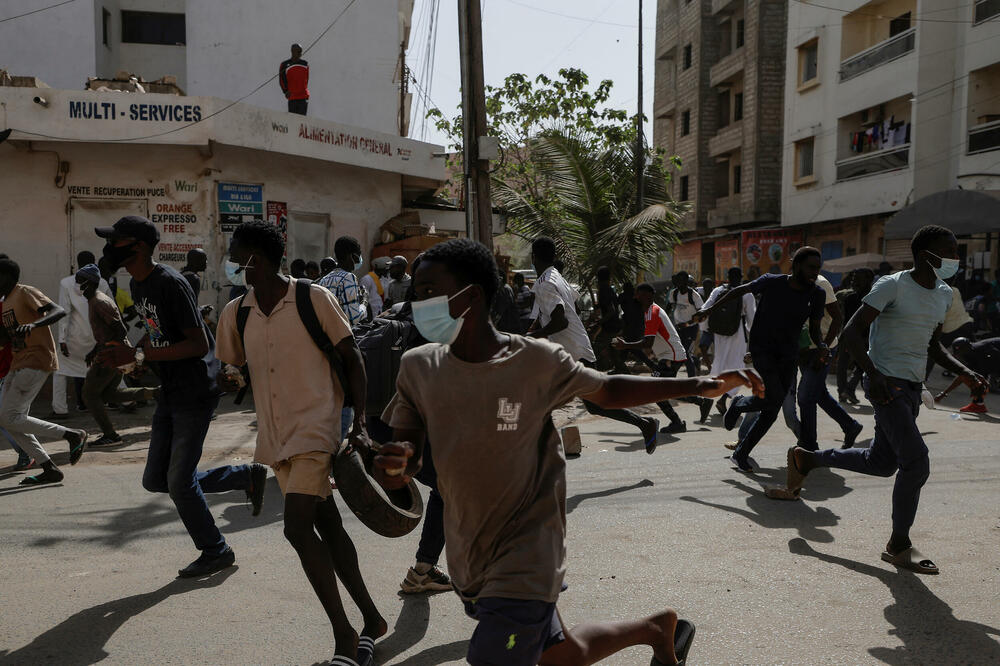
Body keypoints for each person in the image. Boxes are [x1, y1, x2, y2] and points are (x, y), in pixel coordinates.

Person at [375, 238, 763, 666]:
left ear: (472, 296)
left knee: (495, 658)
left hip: (529, 552)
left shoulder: (534, 361)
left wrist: (697, 385)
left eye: (430, 292)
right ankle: (655, 630)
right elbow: (406, 442)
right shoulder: (418, 366)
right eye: (417, 293)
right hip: (471, 552)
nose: (418, 303)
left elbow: (607, 388)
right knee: (561, 654)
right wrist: (397, 466)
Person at [772, 226, 987, 575]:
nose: (955, 259)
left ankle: (807, 459)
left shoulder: (944, 293)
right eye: (948, 252)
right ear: (923, 255)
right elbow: (854, 331)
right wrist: (873, 375)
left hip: (913, 388)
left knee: (882, 462)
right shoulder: (893, 284)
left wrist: (965, 371)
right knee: (916, 463)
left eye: (956, 252)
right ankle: (898, 545)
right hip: (887, 386)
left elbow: (933, 345)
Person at [216, 222, 383, 665]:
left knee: (295, 528)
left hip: (317, 428)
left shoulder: (313, 298)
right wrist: (225, 376)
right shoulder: (238, 311)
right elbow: (229, 364)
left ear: (258, 257)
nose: (231, 260)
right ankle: (372, 618)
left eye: (236, 252)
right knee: (327, 524)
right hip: (275, 437)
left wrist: (360, 421)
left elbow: (352, 356)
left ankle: (344, 636)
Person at [94, 216, 266, 578]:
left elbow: (198, 343)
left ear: (138, 246)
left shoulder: (169, 283)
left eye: (116, 240)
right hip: (170, 392)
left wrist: (140, 356)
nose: (110, 248)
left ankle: (216, 550)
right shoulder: (138, 285)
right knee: (157, 480)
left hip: (193, 393)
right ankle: (244, 476)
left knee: (179, 482)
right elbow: (158, 335)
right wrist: (137, 358)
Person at [694, 247, 827, 472]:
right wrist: (710, 310)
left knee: (772, 409)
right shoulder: (772, 282)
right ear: (796, 266)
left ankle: (741, 453)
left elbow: (814, 328)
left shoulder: (817, 294)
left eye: (818, 268)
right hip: (762, 350)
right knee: (773, 397)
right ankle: (739, 404)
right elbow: (738, 291)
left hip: (788, 354)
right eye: (811, 268)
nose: (815, 273)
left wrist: (821, 345)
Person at [527, 238, 659, 450]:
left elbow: (561, 320)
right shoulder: (556, 277)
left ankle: (645, 424)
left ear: (533, 257)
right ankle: (644, 424)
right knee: (591, 404)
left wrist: (534, 336)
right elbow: (567, 311)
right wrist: (533, 331)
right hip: (573, 350)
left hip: (572, 353)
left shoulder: (544, 283)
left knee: (588, 403)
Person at [0, 255, 89, 485]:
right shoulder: (6, 301)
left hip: (37, 359)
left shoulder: (24, 292)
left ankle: (72, 434)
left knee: (9, 417)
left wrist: (34, 324)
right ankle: (49, 468)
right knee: (10, 419)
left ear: (6, 277)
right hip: (18, 362)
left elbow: (58, 311)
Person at [614, 283, 714, 433]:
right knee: (666, 391)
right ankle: (700, 403)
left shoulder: (652, 312)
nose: (636, 296)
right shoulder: (651, 311)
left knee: (656, 391)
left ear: (648, 295)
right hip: (670, 355)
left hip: (671, 356)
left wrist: (626, 345)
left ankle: (678, 421)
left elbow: (648, 343)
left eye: (638, 294)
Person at [76, 264, 156, 446]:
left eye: (80, 281)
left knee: (89, 394)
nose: (77, 285)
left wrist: (109, 351)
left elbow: (119, 329)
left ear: (89, 283)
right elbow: (107, 331)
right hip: (109, 352)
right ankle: (156, 393)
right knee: (109, 394)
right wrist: (95, 349)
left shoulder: (99, 302)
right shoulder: (94, 300)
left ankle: (110, 435)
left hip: (111, 354)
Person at [795, 274, 864, 451]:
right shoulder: (793, 282)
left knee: (805, 397)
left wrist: (823, 349)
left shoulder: (821, 283)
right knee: (819, 394)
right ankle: (850, 426)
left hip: (822, 348)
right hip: (804, 349)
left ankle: (809, 446)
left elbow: (838, 318)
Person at [53, 251, 111, 416]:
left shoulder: (66, 283)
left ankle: (60, 409)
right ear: (94, 263)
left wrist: (62, 339)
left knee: (59, 371)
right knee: (112, 366)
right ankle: (128, 400)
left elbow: (65, 313)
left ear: (77, 264)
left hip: (74, 338)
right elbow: (112, 311)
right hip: (97, 337)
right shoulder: (103, 283)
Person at [702, 267, 756, 415]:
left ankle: (708, 397)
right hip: (737, 334)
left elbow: (706, 309)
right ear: (741, 276)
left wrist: (706, 328)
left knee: (719, 364)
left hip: (719, 334)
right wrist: (755, 335)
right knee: (737, 367)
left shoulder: (718, 291)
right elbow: (752, 318)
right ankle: (723, 398)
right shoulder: (746, 293)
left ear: (727, 276)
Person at [837, 268, 874, 404]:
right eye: (853, 279)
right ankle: (844, 391)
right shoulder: (850, 298)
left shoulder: (874, 298)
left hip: (867, 338)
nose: (854, 282)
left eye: (858, 279)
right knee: (843, 363)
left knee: (862, 365)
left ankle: (848, 389)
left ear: (868, 281)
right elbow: (846, 320)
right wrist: (842, 337)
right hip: (850, 337)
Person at [925, 278, 974, 380]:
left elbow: (938, 315)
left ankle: (923, 378)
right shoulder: (955, 290)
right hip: (967, 323)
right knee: (966, 351)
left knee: (934, 352)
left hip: (952, 328)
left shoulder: (937, 293)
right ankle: (952, 371)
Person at [935, 336, 999, 413]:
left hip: (995, 355)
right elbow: (963, 375)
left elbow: (995, 357)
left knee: (979, 381)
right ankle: (978, 405)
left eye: (961, 352)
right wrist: (944, 393)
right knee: (976, 379)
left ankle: (978, 405)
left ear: (967, 348)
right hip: (993, 358)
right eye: (958, 353)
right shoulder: (969, 354)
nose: (959, 355)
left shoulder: (980, 351)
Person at [317, 237, 367, 327]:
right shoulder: (348, 277)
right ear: (351, 256)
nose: (360, 259)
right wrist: (364, 302)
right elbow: (354, 319)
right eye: (359, 255)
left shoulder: (324, 279)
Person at [592, 266, 630, 374]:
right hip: (614, 324)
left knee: (597, 346)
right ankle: (621, 370)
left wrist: (600, 322)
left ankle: (591, 370)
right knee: (612, 349)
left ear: (598, 278)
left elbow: (611, 310)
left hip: (609, 325)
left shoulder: (604, 290)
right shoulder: (610, 289)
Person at [668, 271, 704, 377]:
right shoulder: (673, 293)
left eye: (681, 280)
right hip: (678, 328)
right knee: (680, 351)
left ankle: (691, 382)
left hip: (691, 328)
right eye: (677, 280)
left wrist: (687, 324)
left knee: (685, 353)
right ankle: (695, 361)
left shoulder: (694, 295)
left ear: (686, 281)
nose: (679, 283)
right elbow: (668, 308)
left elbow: (701, 314)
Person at [279, 43, 309, 115]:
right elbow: (281, 80)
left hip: (303, 97)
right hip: (292, 98)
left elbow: (307, 79)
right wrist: (285, 91)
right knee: (293, 120)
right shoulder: (285, 64)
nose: (300, 54)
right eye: (298, 51)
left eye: (300, 52)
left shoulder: (305, 64)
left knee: (302, 120)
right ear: (292, 51)